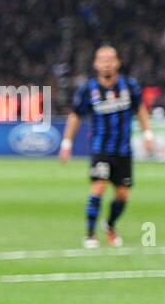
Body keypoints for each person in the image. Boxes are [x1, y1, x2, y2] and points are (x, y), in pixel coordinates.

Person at [59, 45, 154, 247]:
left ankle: (109, 225)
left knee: (122, 195)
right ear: (96, 64)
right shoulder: (88, 89)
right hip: (101, 149)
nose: (107, 63)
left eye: (110, 59)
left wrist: (148, 134)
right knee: (98, 188)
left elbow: (141, 110)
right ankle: (90, 235)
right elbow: (76, 115)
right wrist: (67, 143)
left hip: (123, 151)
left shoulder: (129, 86)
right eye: (103, 59)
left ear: (117, 63)